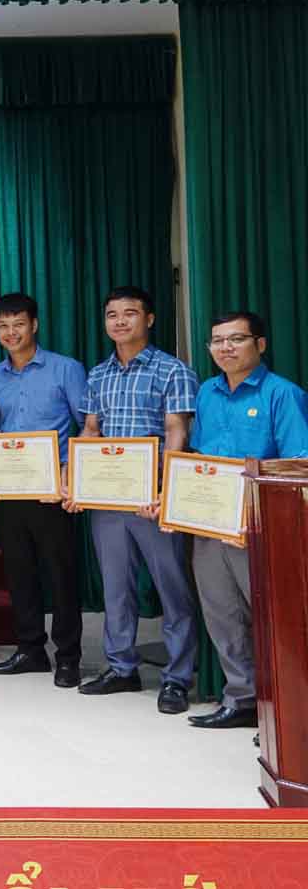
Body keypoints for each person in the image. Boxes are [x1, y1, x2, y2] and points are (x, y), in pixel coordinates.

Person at [69, 285, 200, 714]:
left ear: (149, 319)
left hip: (154, 500)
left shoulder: (172, 370)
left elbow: (176, 433)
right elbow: (91, 431)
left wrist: (166, 491)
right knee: (116, 589)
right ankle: (121, 667)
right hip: (108, 499)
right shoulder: (98, 374)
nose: (120, 321)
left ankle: (177, 677)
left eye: (130, 313)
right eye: (112, 315)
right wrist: (77, 479)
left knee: (172, 588)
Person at [185, 311, 308, 729]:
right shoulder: (207, 392)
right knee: (221, 613)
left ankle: (283, 715)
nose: (226, 348)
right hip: (210, 524)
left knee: (271, 620)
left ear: (260, 344)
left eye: (236, 339)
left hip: (260, 527)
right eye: (217, 341)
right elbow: (199, 456)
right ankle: (241, 700)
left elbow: (296, 463)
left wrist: (251, 510)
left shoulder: (282, 394)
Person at [0, 293, 88, 688]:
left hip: (52, 492)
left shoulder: (66, 370)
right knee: (19, 571)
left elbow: (87, 428)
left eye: (18, 324)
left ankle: (69, 656)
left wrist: (67, 473)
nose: (11, 333)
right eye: (3, 326)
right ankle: (30, 649)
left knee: (60, 573)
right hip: (10, 491)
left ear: (34, 325)